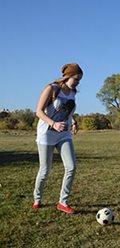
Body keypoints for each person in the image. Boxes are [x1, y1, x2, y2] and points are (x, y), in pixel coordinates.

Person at [33, 63, 83, 213]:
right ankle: (37, 197)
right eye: (76, 79)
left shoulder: (73, 92)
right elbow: (39, 112)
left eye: (80, 80)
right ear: (67, 77)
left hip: (64, 134)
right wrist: (53, 124)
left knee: (71, 167)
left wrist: (73, 122)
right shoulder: (52, 88)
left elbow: (67, 111)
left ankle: (63, 201)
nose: (77, 82)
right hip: (47, 134)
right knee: (45, 170)